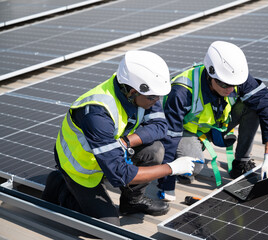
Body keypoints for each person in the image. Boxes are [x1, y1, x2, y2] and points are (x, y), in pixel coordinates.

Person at [41, 50, 196, 226]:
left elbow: (160, 127)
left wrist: (126, 142)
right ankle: (60, 185)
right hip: (80, 170)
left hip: (108, 155)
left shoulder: (143, 92)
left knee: (155, 150)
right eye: (153, 97)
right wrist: (170, 168)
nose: (157, 100)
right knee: (109, 225)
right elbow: (121, 174)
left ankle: (132, 202)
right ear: (132, 92)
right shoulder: (96, 113)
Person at [157, 41, 268, 201]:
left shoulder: (235, 77)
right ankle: (185, 154)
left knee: (254, 107)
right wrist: (167, 182)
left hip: (216, 123)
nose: (230, 89)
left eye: (233, 85)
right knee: (195, 168)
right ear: (210, 74)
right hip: (185, 130)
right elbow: (170, 136)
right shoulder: (181, 91)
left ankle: (241, 163)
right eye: (224, 84)